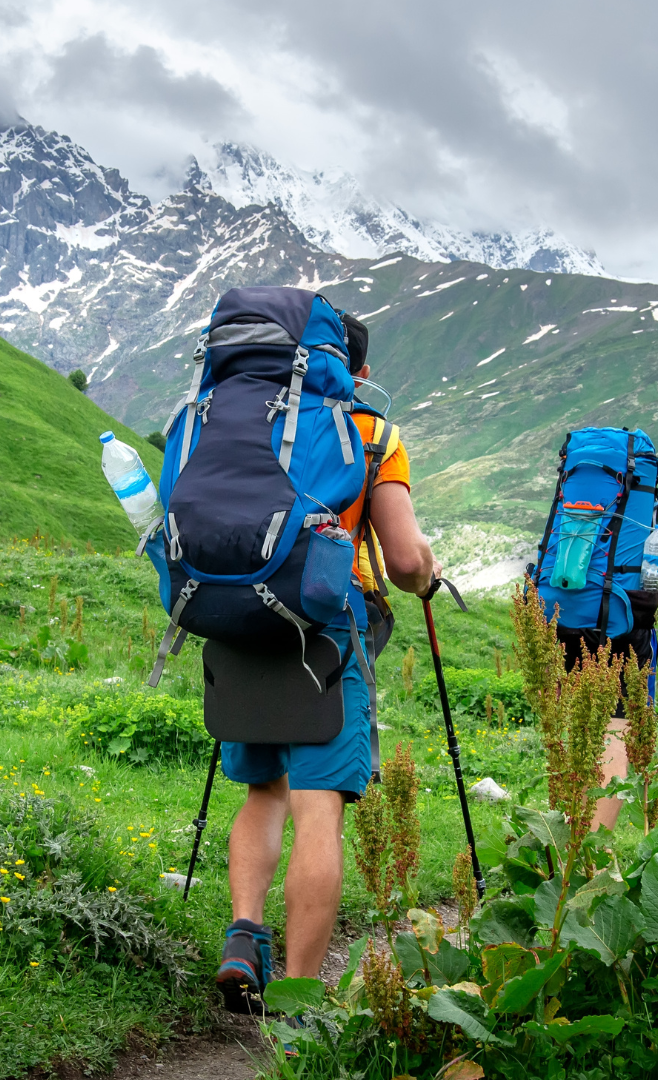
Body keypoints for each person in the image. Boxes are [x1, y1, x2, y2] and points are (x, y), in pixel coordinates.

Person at [214, 314, 440, 1008]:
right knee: (319, 808)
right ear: (355, 374)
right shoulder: (373, 435)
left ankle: (245, 936)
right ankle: (299, 1004)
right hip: (329, 629)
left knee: (264, 791)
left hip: (239, 619)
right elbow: (402, 562)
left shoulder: (237, 420)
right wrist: (428, 573)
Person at [578, 502, 658, 829]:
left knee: (580, 746)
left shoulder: (579, 501)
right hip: (628, 639)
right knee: (613, 749)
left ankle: (565, 852)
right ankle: (591, 862)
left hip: (570, 630)